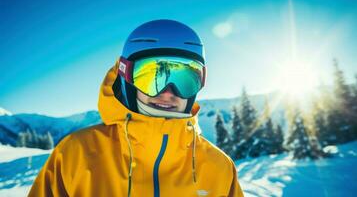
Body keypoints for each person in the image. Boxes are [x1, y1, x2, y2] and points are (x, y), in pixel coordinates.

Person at [29, 19, 244, 197]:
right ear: (126, 76)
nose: (169, 92)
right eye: (151, 77)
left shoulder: (220, 167)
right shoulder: (75, 155)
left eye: (185, 78)